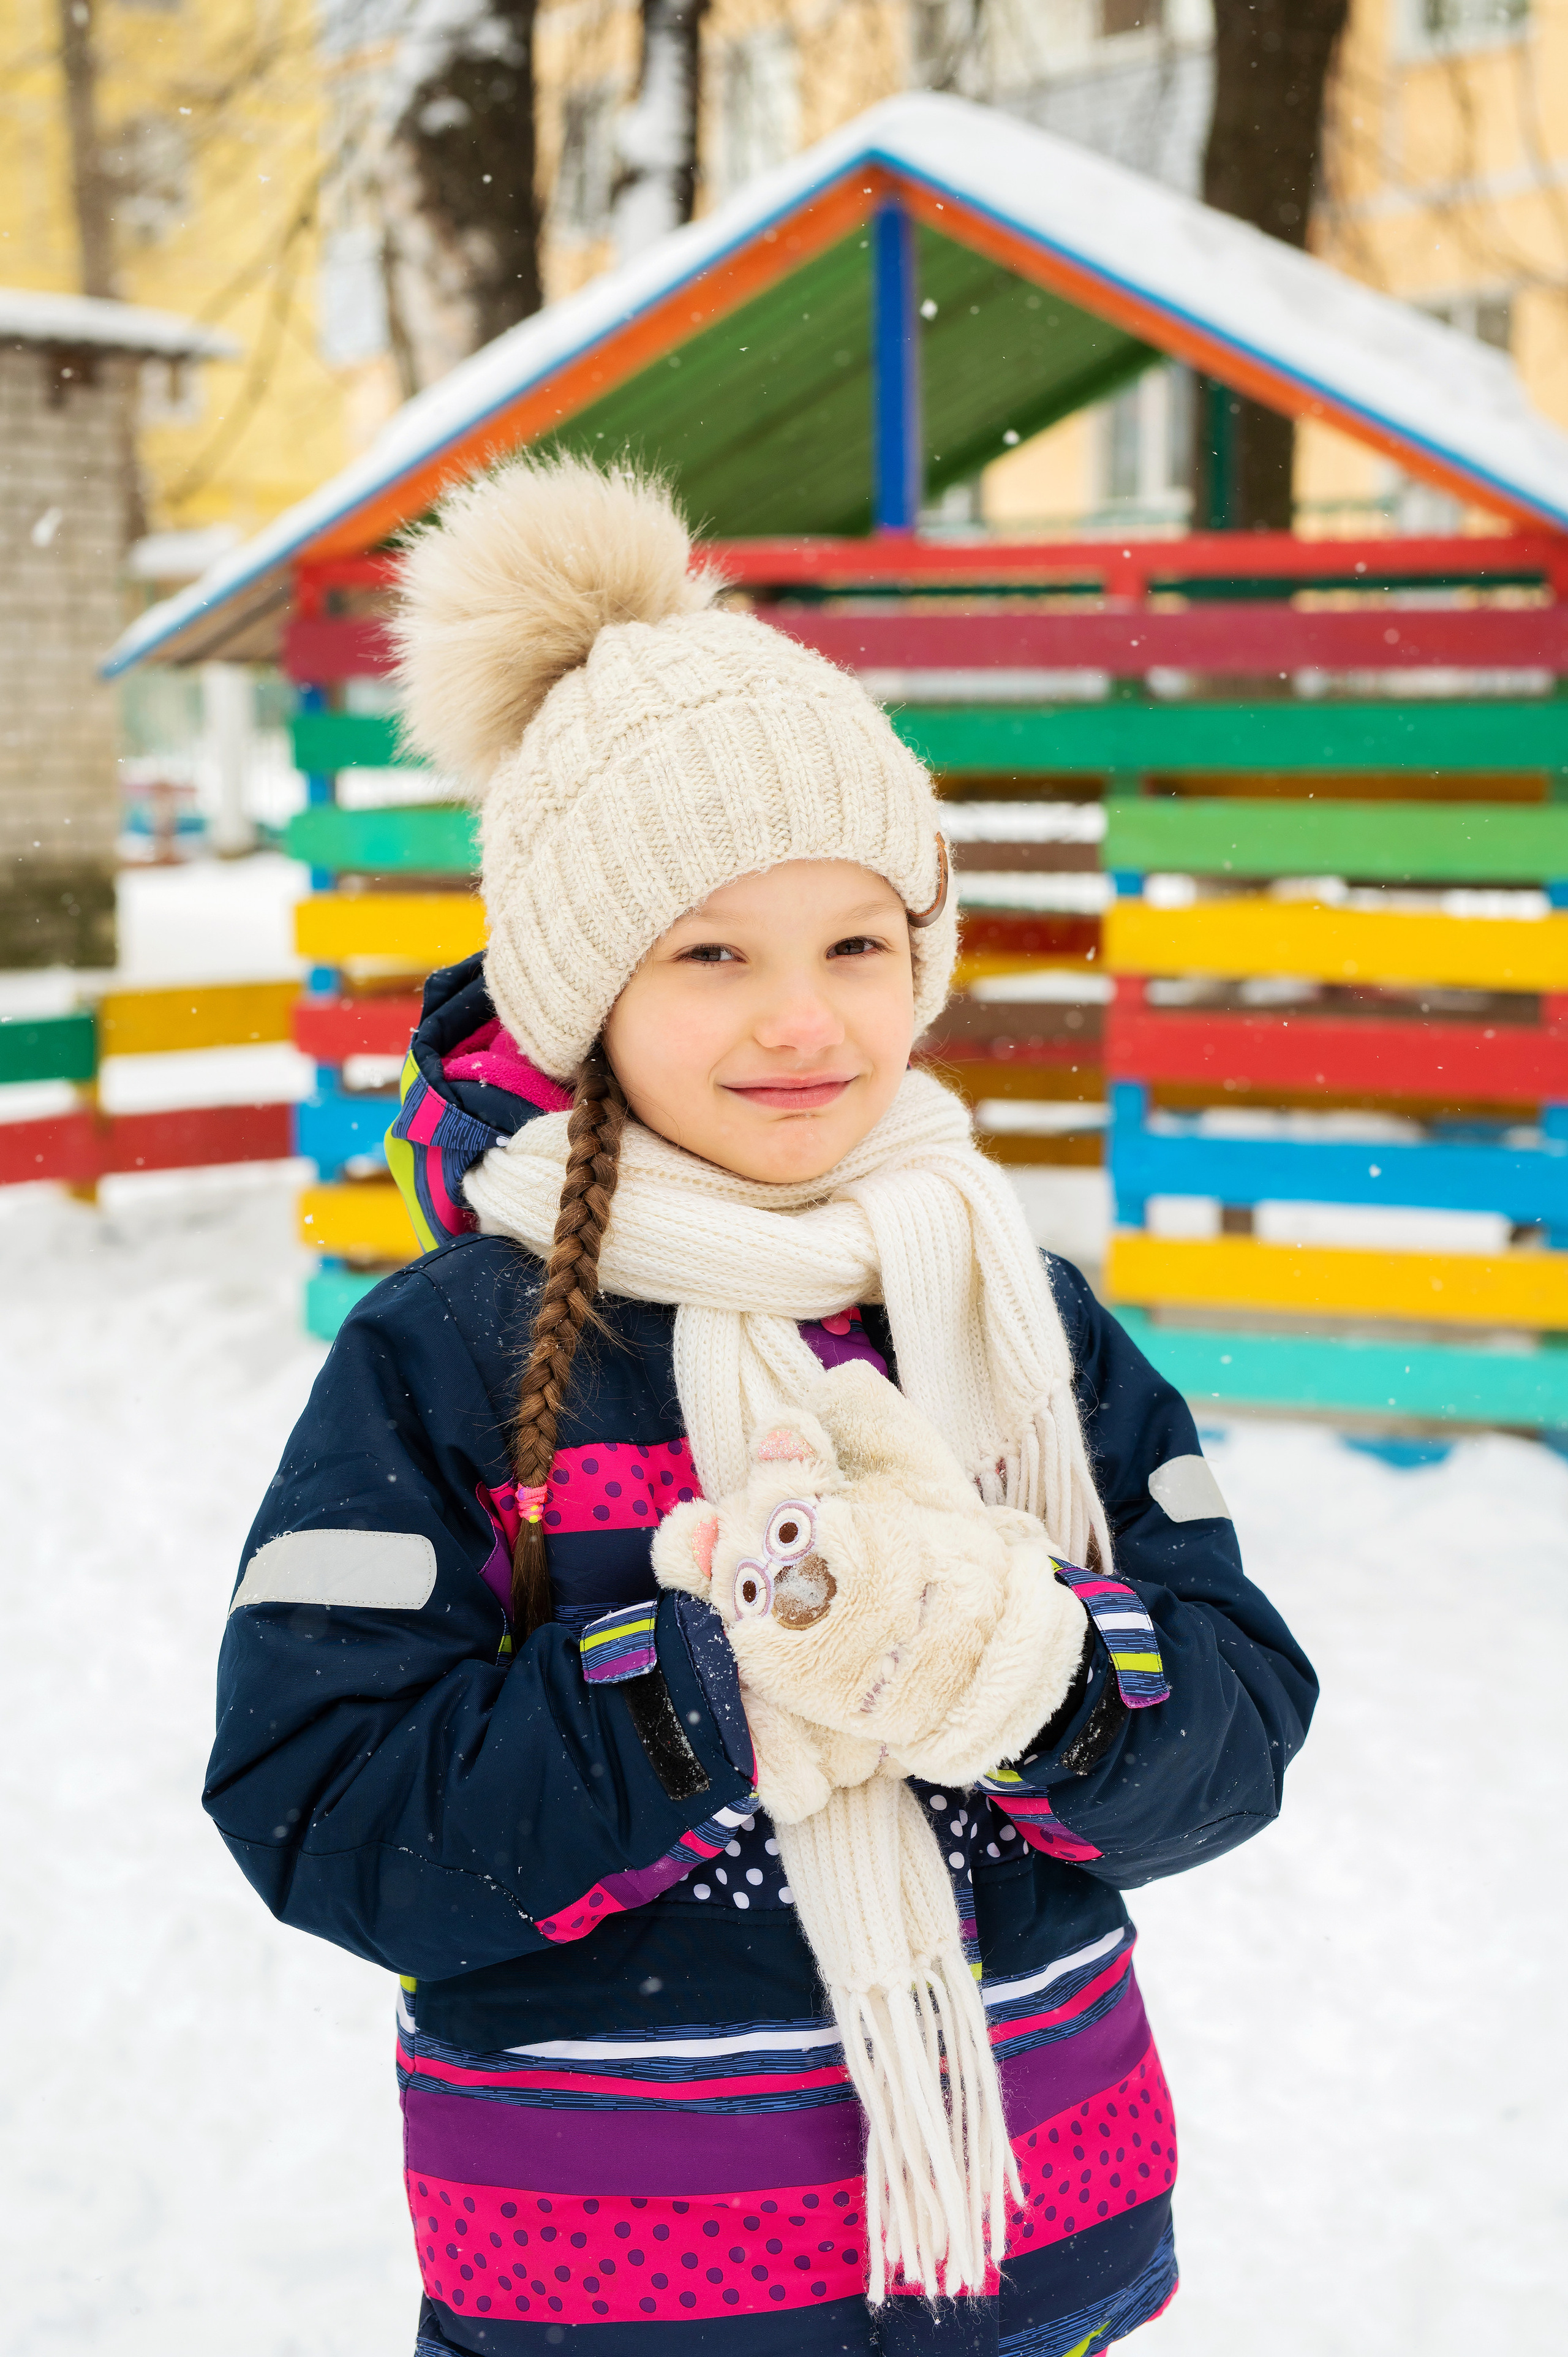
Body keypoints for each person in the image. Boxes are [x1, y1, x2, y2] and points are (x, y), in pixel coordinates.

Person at [205, 457, 1316, 2357]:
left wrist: (1026, 1676)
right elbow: (323, 1809)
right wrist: (703, 1691)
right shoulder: (455, 1353)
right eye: (712, 952)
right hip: (621, 2287)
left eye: (855, 945)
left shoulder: (1010, 1312)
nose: (801, 1019)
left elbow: (1239, 1716)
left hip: (1033, 2260)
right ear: (585, 993)